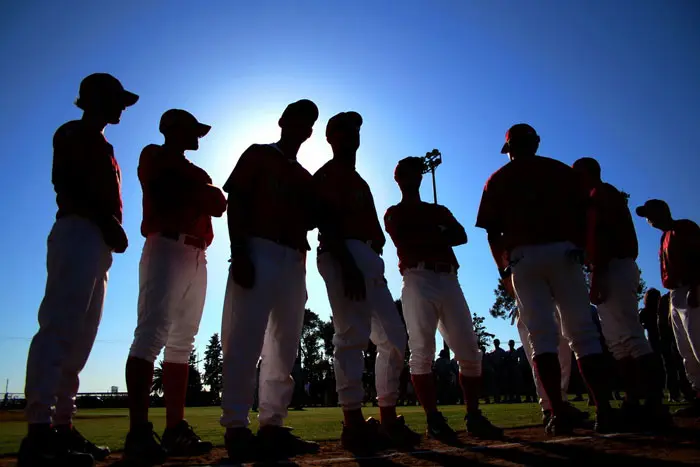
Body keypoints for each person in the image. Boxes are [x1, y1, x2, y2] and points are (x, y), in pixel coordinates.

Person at [20, 73, 137, 467]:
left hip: (97, 241)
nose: (123, 106)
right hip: (78, 231)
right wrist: (106, 222)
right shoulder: (73, 132)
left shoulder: (105, 144)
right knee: (59, 328)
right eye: (117, 99)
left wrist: (108, 228)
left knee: (82, 339)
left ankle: (62, 428)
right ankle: (38, 432)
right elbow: (65, 183)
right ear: (96, 98)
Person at [476, 123, 612, 435]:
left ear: (509, 149)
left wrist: (504, 269)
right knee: (584, 334)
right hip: (564, 253)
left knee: (541, 338)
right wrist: (583, 247)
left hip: (524, 258)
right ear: (536, 143)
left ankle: (557, 412)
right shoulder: (562, 171)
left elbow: (492, 233)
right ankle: (603, 409)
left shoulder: (498, 178)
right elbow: (588, 212)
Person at [219, 100, 321, 462]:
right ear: (282, 121)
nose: (303, 127)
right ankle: (235, 427)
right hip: (258, 248)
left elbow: (313, 219)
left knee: (284, 346)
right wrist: (239, 251)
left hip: (294, 258)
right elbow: (237, 200)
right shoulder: (259, 154)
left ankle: (272, 426)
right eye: (297, 119)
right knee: (244, 340)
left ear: (310, 132)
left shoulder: (306, 177)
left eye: (308, 123)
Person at [123, 109, 226, 463]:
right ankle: (138, 432)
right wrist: (199, 193)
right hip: (165, 245)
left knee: (183, 342)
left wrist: (196, 192)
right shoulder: (154, 154)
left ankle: (174, 429)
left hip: (198, 253)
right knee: (150, 335)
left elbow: (218, 204)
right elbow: (166, 189)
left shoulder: (197, 171)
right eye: (191, 130)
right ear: (172, 130)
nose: (198, 136)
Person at [384, 156, 502, 442]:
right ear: (399, 179)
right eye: (407, 174)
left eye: (416, 173)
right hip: (417, 278)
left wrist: (431, 234)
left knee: (470, 352)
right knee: (422, 351)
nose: (413, 178)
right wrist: (438, 234)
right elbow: (404, 240)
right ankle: (433, 419)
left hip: (449, 278)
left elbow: (461, 236)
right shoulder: (394, 212)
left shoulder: (438, 209)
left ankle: (473, 415)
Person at [315, 111, 413, 453]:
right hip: (345, 253)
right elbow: (325, 223)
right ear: (330, 138)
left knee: (394, 337)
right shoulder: (328, 174)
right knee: (351, 335)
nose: (351, 134)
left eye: (354, 129)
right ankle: (352, 423)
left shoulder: (359, 180)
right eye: (342, 130)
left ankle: (387, 418)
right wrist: (347, 264)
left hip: (368, 257)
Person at [573, 157, 669, 428]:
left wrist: (597, 276)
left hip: (612, 265)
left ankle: (654, 403)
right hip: (611, 265)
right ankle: (635, 400)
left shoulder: (600, 193)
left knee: (630, 337)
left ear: (587, 174)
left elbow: (603, 238)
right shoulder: (601, 194)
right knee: (619, 342)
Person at [636, 199, 700, 417]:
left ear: (662, 211)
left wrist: (697, 285)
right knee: (685, 348)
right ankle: (698, 394)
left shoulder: (684, 227)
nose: (649, 219)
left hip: (690, 286)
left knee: (697, 340)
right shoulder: (664, 237)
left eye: (651, 213)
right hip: (675, 292)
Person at [514, 304, 589, 427]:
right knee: (540, 350)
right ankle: (548, 407)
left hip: (555, 300)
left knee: (562, 352)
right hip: (530, 301)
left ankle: (561, 402)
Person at [657, 292, 695, 402]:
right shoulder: (669, 301)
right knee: (678, 366)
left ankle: (679, 393)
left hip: (668, 339)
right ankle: (684, 392)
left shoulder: (666, 301)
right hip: (670, 338)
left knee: (673, 367)